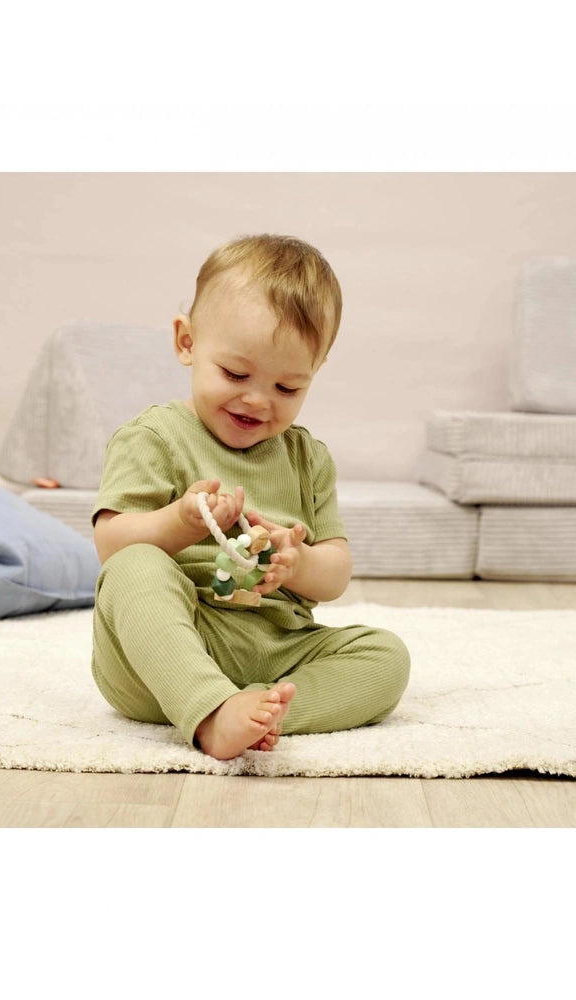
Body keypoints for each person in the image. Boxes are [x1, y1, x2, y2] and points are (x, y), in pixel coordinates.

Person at [91, 234, 410, 760]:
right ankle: (206, 708)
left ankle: (267, 711)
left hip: (276, 647)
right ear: (187, 342)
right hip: (166, 653)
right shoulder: (153, 438)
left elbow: (336, 574)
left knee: (386, 657)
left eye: (288, 388)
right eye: (236, 374)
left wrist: (299, 560)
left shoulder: (307, 459)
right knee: (135, 567)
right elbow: (110, 545)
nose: (258, 400)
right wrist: (178, 523)